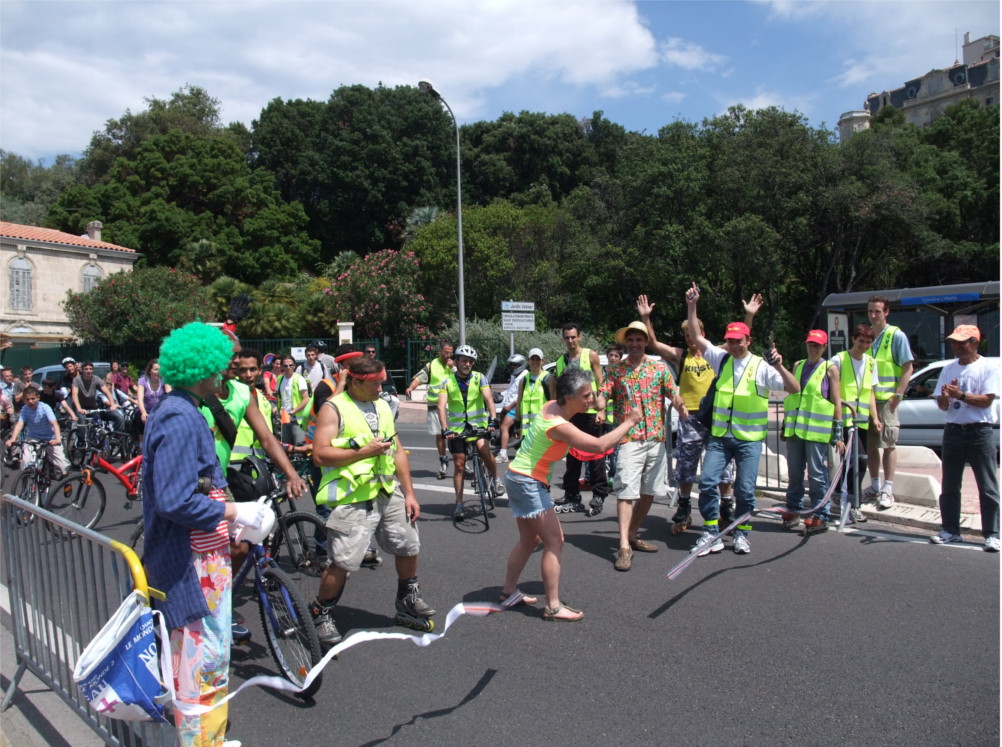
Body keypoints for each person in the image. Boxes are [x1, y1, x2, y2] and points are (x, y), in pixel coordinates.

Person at [142, 321, 271, 747]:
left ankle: (207, 737)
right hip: (192, 565)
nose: (226, 375)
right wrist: (235, 508)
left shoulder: (181, 408)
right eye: (221, 368)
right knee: (201, 659)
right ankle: (200, 742)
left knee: (204, 657)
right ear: (204, 370)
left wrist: (229, 517)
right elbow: (176, 499)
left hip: (202, 556)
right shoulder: (180, 416)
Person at [309, 356, 435, 646]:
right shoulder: (333, 408)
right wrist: (362, 453)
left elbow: (398, 450)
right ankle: (321, 611)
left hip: (387, 490)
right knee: (343, 562)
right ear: (355, 381)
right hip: (352, 497)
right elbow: (319, 454)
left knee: (408, 544)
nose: (382, 387)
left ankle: (407, 597)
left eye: (383, 381)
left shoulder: (382, 405)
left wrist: (410, 493)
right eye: (375, 383)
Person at [502, 368, 641, 621]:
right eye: (585, 395)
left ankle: (509, 591)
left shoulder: (554, 405)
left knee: (529, 540)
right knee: (555, 541)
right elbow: (599, 445)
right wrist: (629, 422)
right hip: (528, 482)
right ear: (568, 396)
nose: (590, 399)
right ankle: (553, 606)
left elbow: (588, 407)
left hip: (518, 476)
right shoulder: (558, 425)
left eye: (591, 394)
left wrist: (598, 402)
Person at [685, 283, 800, 555]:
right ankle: (711, 532)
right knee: (708, 482)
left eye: (739, 340)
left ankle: (742, 533)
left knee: (745, 491)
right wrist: (692, 306)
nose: (734, 345)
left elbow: (794, 388)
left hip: (749, 441)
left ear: (748, 341)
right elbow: (694, 333)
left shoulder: (762, 366)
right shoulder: (720, 358)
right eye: (731, 340)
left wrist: (780, 365)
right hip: (720, 438)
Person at [636, 293, 762, 532]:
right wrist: (645, 318)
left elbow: (740, 340)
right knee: (686, 464)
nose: (690, 338)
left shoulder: (717, 353)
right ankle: (684, 505)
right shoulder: (680, 355)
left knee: (724, 466)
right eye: (686, 336)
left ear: (701, 333)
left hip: (715, 418)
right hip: (689, 418)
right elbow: (653, 343)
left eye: (692, 334)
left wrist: (749, 315)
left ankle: (726, 505)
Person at [603, 321, 686, 571]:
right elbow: (603, 394)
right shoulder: (617, 371)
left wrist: (681, 406)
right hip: (629, 439)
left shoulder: (658, 368)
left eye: (640, 339)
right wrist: (597, 403)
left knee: (649, 491)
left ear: (646, 342)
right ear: (626, 342)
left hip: (656, 439)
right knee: (627, 491)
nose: (635, 344)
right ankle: (623, 547)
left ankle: (633, 534)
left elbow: (673, 392)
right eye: (631, 340)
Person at [930, 325, 999, 552]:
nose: (956, 347)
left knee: (987, 485)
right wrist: (945, 397)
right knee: (950, 484)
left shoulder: (988, 367)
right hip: (953, 430)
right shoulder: (948, 369)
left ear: (975, 342)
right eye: (953, 342)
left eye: (961, 342)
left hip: (980, 431)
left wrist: (960, 394)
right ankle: (950, 529)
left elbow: (987, 400)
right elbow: (941, 404)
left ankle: (992, 533)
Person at [779, 330, 845, 535]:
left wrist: (838, 431)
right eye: (810, 344)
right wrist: (784, 425)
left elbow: (836, 400)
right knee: (795, 472)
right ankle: (794, 509)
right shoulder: (798, 366)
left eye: (817, 345)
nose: (813, 348)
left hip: (816, 432)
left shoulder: (830, 369)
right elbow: (792, 398)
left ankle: (820, 513)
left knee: (817, 475)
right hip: (796, 430)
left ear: (824, 347)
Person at [439, 345, 504, 520]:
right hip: (457, 429)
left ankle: (497, 480)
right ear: (457, 361)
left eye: (470, 361)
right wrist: (445, 429)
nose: (467, 364)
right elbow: (441, 406)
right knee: (459, 464)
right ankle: (459, 504)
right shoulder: (447, 382)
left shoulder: (480, 378)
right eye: (464, 360)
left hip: (478, 426)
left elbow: (489, 400)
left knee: (484, 449)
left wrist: (493, 419)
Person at [863, 294, 914, 509]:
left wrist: (898, 395)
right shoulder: (866, 336)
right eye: (870, 311)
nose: (873, 315)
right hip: (868, 400)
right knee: (872, 446)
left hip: (887, 400)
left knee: (889, 444)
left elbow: (908, 367)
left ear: (886, 312)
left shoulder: (896, 336)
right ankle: (874, 485)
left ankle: (888, 489)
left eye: (877, 311)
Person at [554, 323, 608, 513]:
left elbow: (602, 383)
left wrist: (602, 410)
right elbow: (562, 389)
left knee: (595, 456)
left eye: (573, 337)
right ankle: (571, 494)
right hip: (572, 414)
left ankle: (599, 495)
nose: (570, 341)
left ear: (579, 337)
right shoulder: (561, 361)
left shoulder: (590, 355)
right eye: (567, 337)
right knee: (572, 456)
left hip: (591, 413)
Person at [831, 325, 881, 524]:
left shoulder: (870, 362)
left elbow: (870, 392)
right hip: (844, 419)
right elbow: (831, 390)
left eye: (868, 342)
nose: (864, 346)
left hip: (861, 420)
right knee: (857, 461)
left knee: (856, 461)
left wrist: (875, 417)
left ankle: (838, 493)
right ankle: (853, 503)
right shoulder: (839, 360)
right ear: (853, 339)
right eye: (861, 341)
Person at [405, 341, 455, 479]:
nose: (448, 355)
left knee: (457, 435)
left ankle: (462, 462)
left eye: (451, 352)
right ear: (440, 351)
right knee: (439, 435)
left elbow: (463, 378)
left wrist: (454, 367)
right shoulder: (432, 365)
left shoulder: (455, 365)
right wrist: (411, 387)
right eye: (446, 352)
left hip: (453, 405)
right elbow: (420, 378)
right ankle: (443, 461)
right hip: (435, 405)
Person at [4, 383, 70, 478]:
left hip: (49, 437)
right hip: (33, 437)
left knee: (63, 466)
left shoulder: (45, 407)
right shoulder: (25, 409)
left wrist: (58, 439)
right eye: (27, 399)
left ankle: (66, 481)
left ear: (38, 398)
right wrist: (13, 439)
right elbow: (20, 424)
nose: (30, 401)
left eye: (33, 399)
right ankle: (27, 483)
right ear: (24, 400)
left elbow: (54, 424)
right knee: (25, 461)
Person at [72, 360, 126, 431]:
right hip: (81, 407)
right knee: (82, 421)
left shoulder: (96, 379)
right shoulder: (77, 380)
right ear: (82, 370)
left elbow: (107, 392)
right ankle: (81, 441)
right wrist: (79, 409)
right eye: (86, 369)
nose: (89, 371)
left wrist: (112, 404)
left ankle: (117, 438)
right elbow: (74, 394)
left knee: (119, 417)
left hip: (93, 407)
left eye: (90, 369)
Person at [495, 353, 528, 463]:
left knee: (504, 427)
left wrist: (509, 406)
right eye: (511, 365)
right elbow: (511, 392)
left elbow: (520, 395)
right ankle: (502, 448)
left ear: (521, 365)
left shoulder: (524, 376)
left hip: (516, 407)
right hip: (510, 406)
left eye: (515, 365)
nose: (512, 367)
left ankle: (503, 454)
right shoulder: (516, 376)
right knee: (504, 427)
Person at [516, 348, 557, 435]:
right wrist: (517, 424)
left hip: (542, 429)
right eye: (532, 359)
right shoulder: (523, 380)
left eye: (538, 359)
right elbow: (519, 403)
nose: (535, 362)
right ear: (528, 361)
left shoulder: (548, 379)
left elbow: (554, 403)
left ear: (542, 361)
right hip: (526, 431)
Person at [277, 354, 311, 444]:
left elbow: (306, 399)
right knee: (286, 448)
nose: (288, 368)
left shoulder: (299, 379)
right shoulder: (280, 379)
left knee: (299, 447)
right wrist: (277, 410)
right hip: (284, 419)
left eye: (291, 365)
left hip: (297, 420)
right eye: (285, 366)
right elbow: (280, 398)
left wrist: (293, 411)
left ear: (294, 366)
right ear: (282, 367)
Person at [137, 359, 171, 425]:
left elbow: (169, 395)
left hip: (160, 411)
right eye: (156, 369)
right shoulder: (143, 381)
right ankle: (141, 435)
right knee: (141, 417)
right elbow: (140, 400)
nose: (158, 372)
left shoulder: (164, 380)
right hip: (147, 411)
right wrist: (144, 413)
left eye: (160, 369)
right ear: (150, 371)